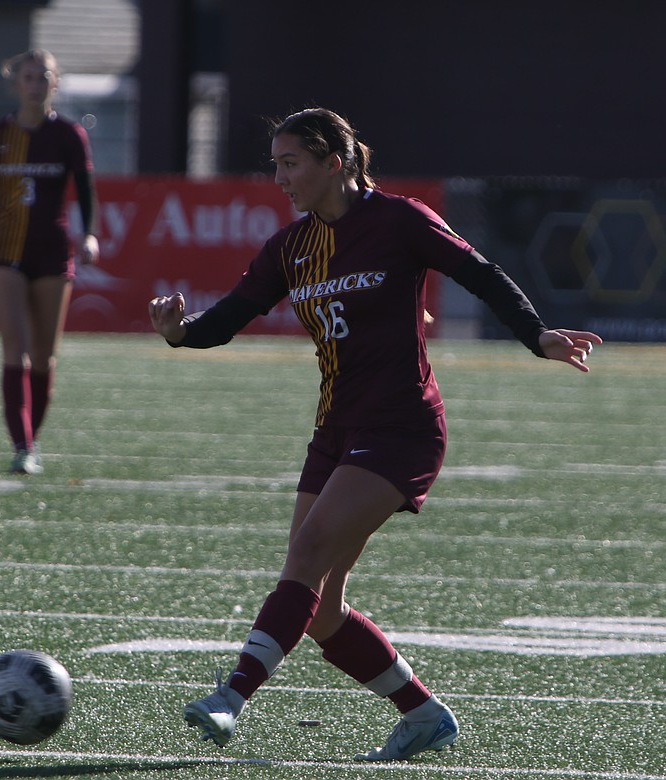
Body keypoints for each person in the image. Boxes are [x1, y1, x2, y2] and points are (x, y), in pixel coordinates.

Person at [148, 107, 602, 761]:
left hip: (402, 428)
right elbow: (228, 319)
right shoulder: (291, 247)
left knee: (304, 556)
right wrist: (180, 332)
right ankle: (421, 713)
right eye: (274, 164)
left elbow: (482, 275)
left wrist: (537, 335)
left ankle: (231, 698)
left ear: (334, 162)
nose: (280, 177)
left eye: (291, 163)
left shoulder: (400, 221)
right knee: (322, 610)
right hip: (335, 430)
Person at [0, 49, 99, 475]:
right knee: (16, 348)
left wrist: (88, 233)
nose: (36, 84)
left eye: (43, 76)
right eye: (28, 77)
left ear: (56, 83)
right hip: (4, 253)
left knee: (46, 356)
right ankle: (22, 446)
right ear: (17, 84)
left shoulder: (68, 135)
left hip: (52, 251)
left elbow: (85, 189)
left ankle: (32, 440)